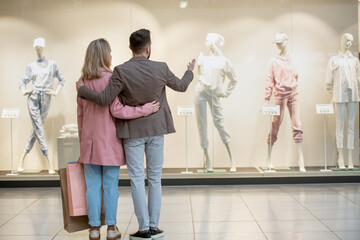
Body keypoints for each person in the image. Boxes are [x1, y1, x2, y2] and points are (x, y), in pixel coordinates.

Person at [77, 29, 195, 240]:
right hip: (156, 130)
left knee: (137, 180)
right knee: (155, 179)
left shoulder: (121, 71)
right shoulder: (161, 68)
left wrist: (82, 89)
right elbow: (182, 86)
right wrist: (190, 71)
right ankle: (153, 226)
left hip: (131, 133)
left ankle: (141, 228)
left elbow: (104, 100)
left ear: (130, 48)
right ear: (148, 47)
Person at [77, 38, 160, 240]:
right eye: (110, 52)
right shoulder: (112, 78)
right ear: (105, 55)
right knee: (111, 186)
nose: (112, 55)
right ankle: (112, 228)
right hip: (110, 142)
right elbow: (117, 110)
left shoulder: (81, 83)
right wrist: (145, 109)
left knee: (93, 187)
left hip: (89, 143)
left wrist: (83, 142)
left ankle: (94, 229)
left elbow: (80, 116)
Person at [18, 37, 64, 174]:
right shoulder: (31, 66)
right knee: (38, 126)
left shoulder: (52, 64)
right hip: (33, 98)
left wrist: (55, 92)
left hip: (46, 98)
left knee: (35, 129)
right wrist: (24, 91)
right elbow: (22, 82)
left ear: (43, 47)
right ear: (34, 47)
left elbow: (62, 79)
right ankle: (49, 159)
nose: (38, 49)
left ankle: (22, 158)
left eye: (40, 46)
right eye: (36, 47)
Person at [195, 33, 238, 173]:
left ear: (213, 42)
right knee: (202, 124)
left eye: (208, 40)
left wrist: (226, 92)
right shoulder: (203, 58)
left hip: (214, 95)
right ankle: (207, 158)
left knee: (219, 123)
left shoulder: (224, 61)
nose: (206, 42)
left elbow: (234, 79)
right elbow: (199, 75)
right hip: (201, 91)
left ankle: (232, 159)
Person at [263, 32, 306, 172]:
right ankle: (268, 158)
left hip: (293, 94)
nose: (278, 45)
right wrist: (266, 99)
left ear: (286, 42)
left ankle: (301, 160)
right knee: (276, 124)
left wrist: (293, 86)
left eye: (280, 42)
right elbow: (269, 80)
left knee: (297, 123)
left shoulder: (291, 59)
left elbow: (296, 76)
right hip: (280, 95)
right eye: (277, 43)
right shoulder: (273, 61)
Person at [326, 33, 360, 169]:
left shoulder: (355, 61)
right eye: (347, 40)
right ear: (342, 40)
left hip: (353, 96)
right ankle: (341, 157)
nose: (349, 43)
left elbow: (358, 79)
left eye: (351, 41)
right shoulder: (334, 60)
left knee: (351, 126)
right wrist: (332, 93)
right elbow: (328, 81)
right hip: (339, 96)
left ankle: (350, 158)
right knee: (339, 126)